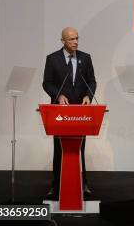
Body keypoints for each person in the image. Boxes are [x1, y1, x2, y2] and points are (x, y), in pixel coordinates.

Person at [42, 27, 96, 198]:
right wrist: (58, 96)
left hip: (80, 111)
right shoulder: (52, 59)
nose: (76, 42)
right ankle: (56, 185)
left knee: (80, 148)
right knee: (59, 149)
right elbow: (47, 83)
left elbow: (92, 81)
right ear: (63, 41)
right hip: (60, 112)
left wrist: (88, 95)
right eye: (71, 39)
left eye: (77, 38)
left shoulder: (85, 58)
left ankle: (83, 184)